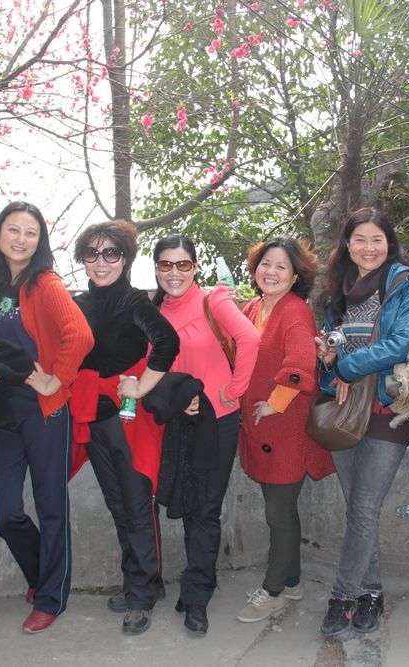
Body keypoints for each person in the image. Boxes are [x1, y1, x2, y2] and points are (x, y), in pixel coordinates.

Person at [0, 201, 93, 633]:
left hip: (43, 409)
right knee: (4, 511)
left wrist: (57, 380)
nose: (20, 239)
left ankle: (51, 597)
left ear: (40, 241)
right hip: (0, 406)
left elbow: (80, 335)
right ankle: (42, 573)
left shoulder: (46, 283)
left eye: (30, 232)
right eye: (13, 230)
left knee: (51, 505)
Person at [314, 208, 409, 636]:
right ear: (347, 244)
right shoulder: (337, 292)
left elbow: (401, 344)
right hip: (346, 410)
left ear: (388, 243)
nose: (368, 248)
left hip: (385, 409)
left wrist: (346, 367)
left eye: (377, 239)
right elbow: (332, 360)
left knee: (363, 509)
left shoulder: (405, 285)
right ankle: (372, 592)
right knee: (358, 510)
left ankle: (342, 596)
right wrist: (330, 362)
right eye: (359, 239)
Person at [71, 220, 180, 635]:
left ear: (126, 259)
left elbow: (167, 342)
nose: (101, 262)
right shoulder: (77, 303)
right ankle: (146, 580)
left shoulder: (134, 301)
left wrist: (140, 386)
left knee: (136, 505)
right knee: (119, 505)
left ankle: (140, 594)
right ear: (83, 260)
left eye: (111, 253)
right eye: (92, 253)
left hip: (127, 418)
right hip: (93, 417)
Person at [151, 235, 260, 634]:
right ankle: (200, 578)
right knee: (186, 500)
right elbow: (151, 369)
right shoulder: (153, 311)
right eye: (166, 264)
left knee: (206, 508)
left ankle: (196, 594)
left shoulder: (214, 300)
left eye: (183, 264)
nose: (174, 273)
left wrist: (233, 390)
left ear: (194, 268)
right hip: (178, 419)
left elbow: (250, 338)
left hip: (218, 419)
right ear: (156, 269)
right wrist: (177, 399)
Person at [236, 236, 335, 623]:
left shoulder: (295, 310)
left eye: (281, 266)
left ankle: (273, 591)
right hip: (262, 428)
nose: (271, 272)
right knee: (280, 509)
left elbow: (300, 364)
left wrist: (274, 403)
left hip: (285, 429)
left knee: (278, 513)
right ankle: (292, 582)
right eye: (265, 263)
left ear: (295, 276)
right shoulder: (254, 307)